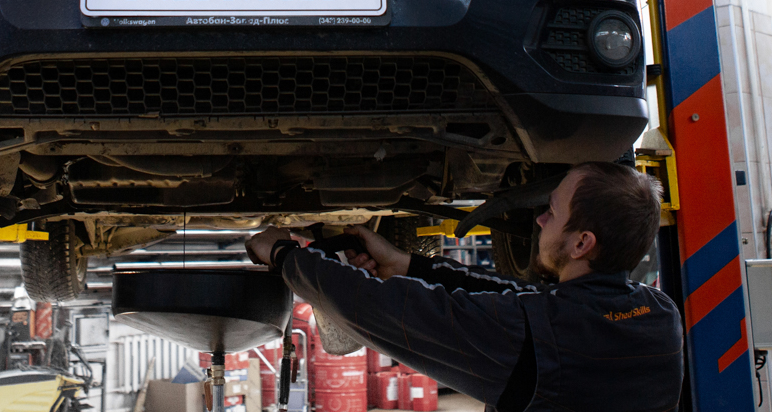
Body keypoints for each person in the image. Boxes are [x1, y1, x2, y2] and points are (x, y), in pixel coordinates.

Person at [244, 161, 683, 412]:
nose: (539, 219)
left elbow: (378, 309)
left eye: (552, 212)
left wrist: (284, 255)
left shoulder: (530, 336)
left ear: (582, 243)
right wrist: (408, 265)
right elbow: (524, 298)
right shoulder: (660, 315)